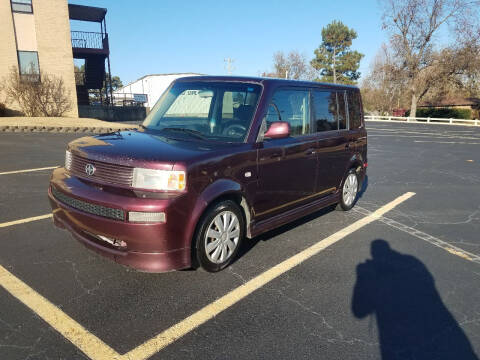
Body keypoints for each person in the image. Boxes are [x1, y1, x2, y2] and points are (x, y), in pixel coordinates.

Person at [352, 239, 478, 360]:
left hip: (396, 334)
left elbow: (359, 311)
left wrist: (362, 277)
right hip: (441, 324)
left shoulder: (370, 269)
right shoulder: (412, 261)